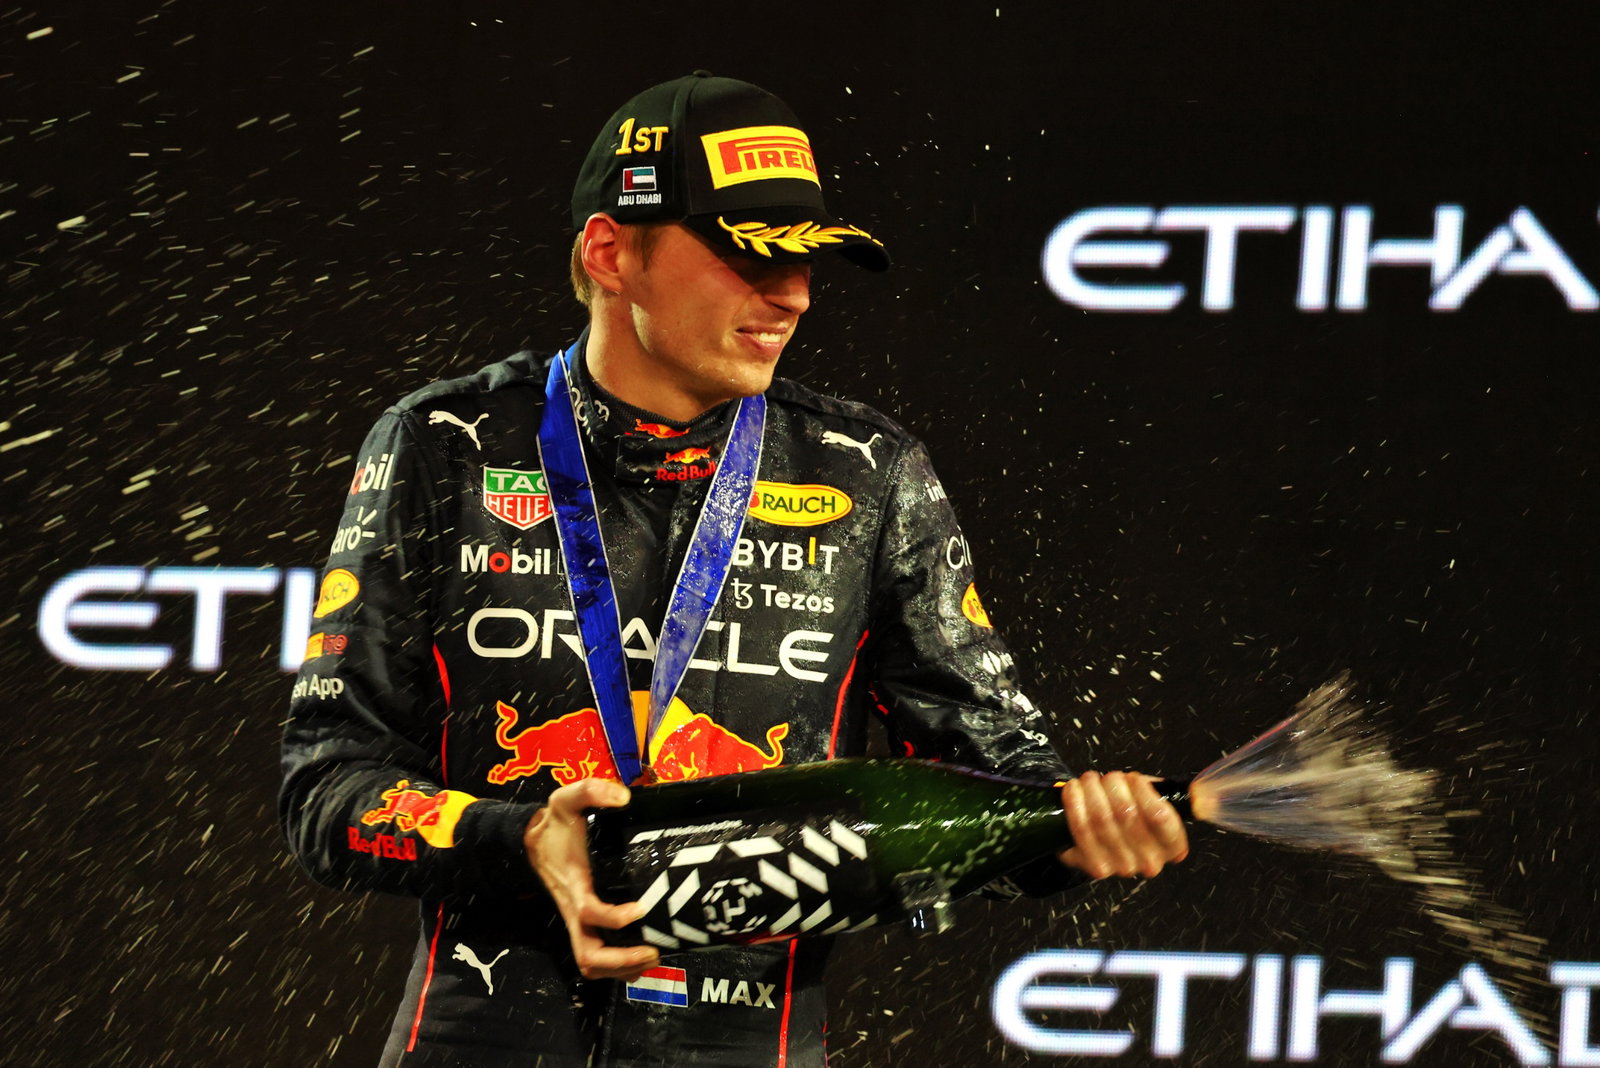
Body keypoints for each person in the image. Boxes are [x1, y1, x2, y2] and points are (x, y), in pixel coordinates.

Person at [280, 71, 1188, 1067]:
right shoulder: (444, 444)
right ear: (611, 252)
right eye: (752, 256)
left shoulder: (865, 472)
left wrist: (1072, 830)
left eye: (806, 261)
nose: (793, 295)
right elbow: (327, 791)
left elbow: (996, 777)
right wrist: (521, 838)